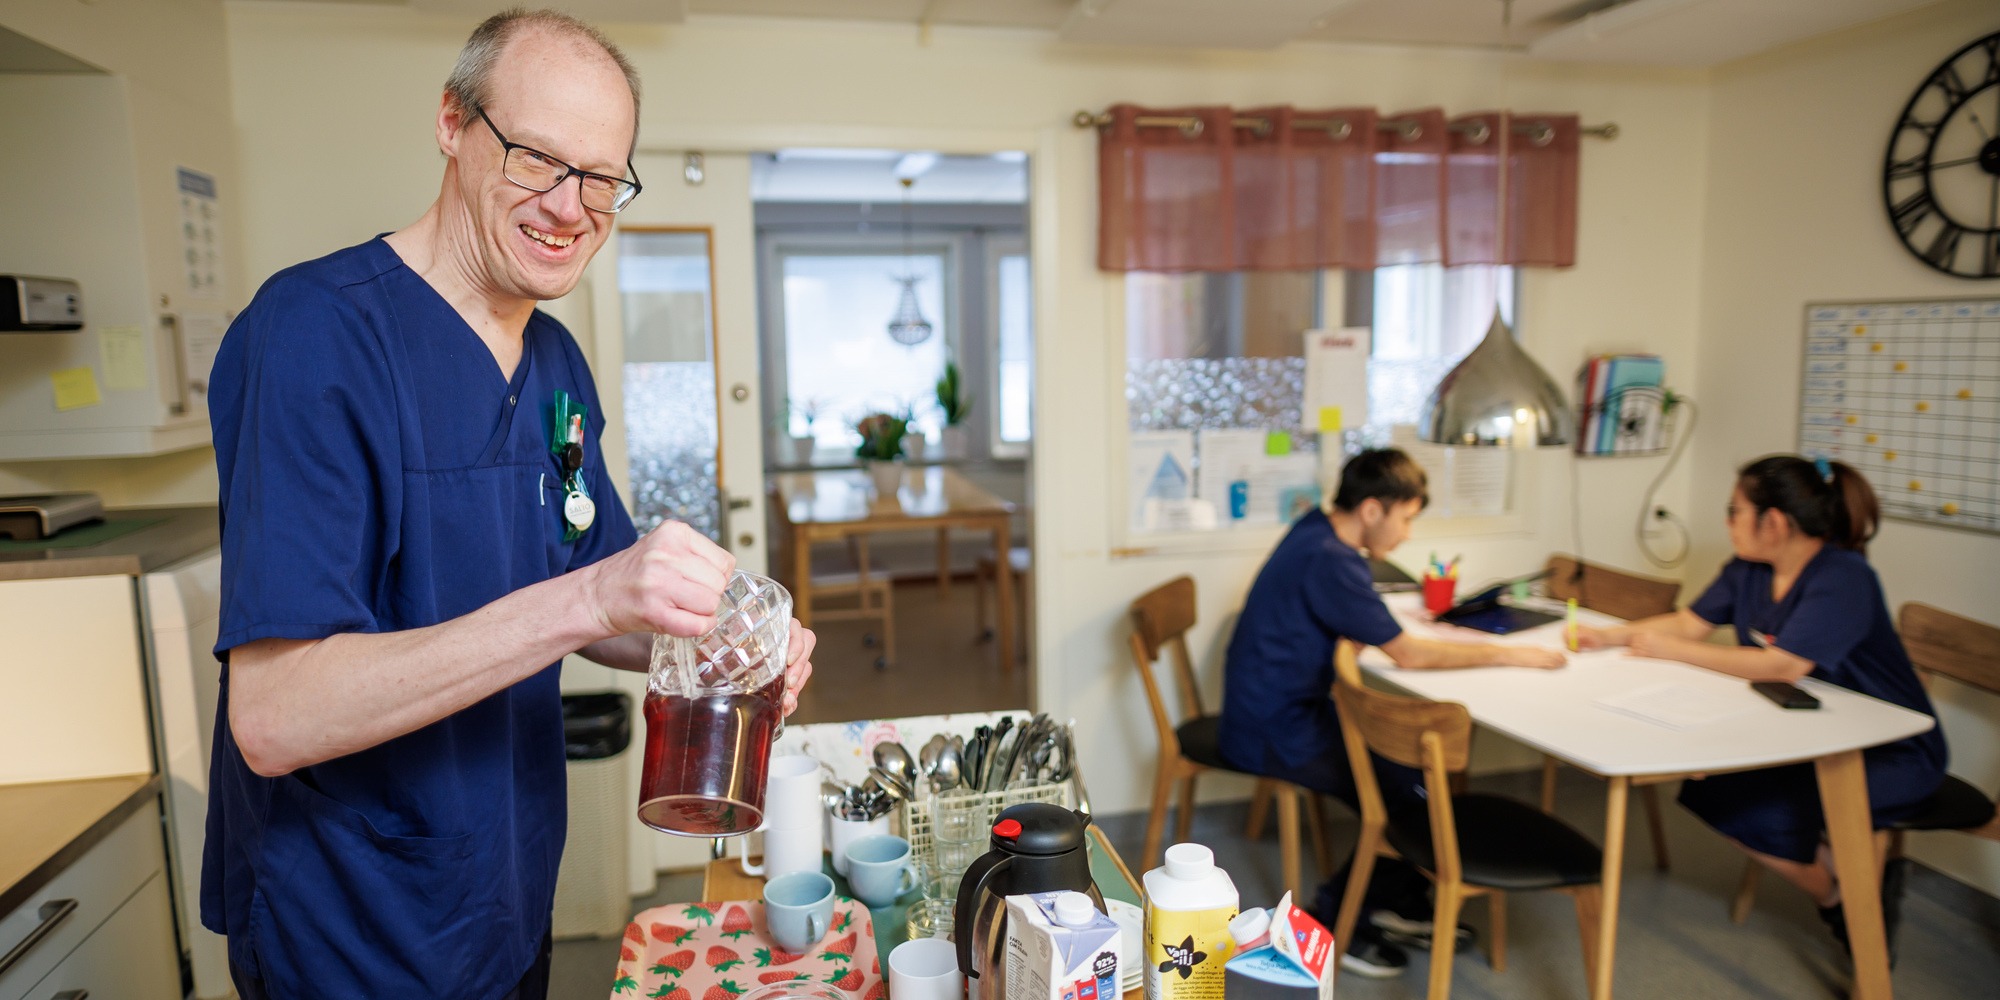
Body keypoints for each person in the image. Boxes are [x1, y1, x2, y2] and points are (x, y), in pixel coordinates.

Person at [202, 11, 816, 999]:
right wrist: (590, 600)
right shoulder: (314, 336)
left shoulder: (555, 365)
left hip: (505, 886)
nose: (571, 207)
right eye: (537, 159)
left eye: (603, 178)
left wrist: (728, 636)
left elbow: (601, 593)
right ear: (452, 122)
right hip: (356, 922)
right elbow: (275, 717)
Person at [1217, 448, 1565, 976]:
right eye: (1405, 519)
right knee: (1414, 790)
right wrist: (1510, 651)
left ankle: (1395, 903)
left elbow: (1335, 620)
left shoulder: (1316, 529)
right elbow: (1411, 653)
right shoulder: (1332, 560)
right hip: (1273, 726)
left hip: (1269, 706)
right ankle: (1340, 921)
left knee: (1415, 783)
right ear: (1373, 510)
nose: (1406, 535)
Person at [1577, 454, 1945, 951]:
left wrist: (1671, 651)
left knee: (1762, 808)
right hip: (1804, 733)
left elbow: (1782, 666)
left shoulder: (1843, 576)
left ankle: (1851, 904)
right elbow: (1689, 623)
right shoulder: (1749, 569)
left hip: (1890, 750)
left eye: (1734, 511)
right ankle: (1838, 889)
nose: (1727, 523)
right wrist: (1613, 637)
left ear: (1772, 522)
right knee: (1712, 792)